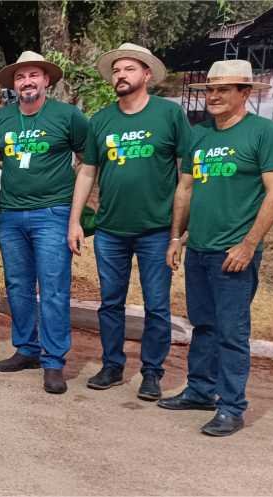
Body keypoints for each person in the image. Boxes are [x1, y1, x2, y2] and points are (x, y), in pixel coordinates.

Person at [160, 59, 273, 437]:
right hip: (198, 248)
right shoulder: (199, 136)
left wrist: (249, 245)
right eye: (209, 90)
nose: (214, 96)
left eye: (224, 90)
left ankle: (232, 406)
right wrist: (175, 237)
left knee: (232, 332)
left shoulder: (264, 133)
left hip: (234, 253)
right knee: (203, 325)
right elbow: (185, 189)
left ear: (244, 93)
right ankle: (200, 390)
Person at [69, 43, 190, 399]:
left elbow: (187, 176)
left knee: (156, 305)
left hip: (156, 230)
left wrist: (179, 233)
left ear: (147, 75)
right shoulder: (103, 119)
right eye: (117, 70)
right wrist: (74, 221)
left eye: (130, 69)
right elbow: (88, 171)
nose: (121, 75)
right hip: (110, 230)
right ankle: (112, 365)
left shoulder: (169, 115)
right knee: (110, 302)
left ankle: (152, 372)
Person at [0, 51, 90, 394]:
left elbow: (86, 160)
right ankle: (27, 349)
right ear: (13, 85)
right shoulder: (2, 119)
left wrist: (75, 214)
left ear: (47, 80)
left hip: (53, 213)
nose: (27, 82)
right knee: (17, 285)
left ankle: (54, 361)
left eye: (33, 76)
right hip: (11, 214)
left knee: (53, 288)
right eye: (20, 77)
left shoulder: (67, 115)